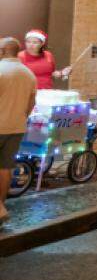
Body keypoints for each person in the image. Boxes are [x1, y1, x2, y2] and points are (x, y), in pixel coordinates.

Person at [0, 37, 37, 226]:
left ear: (3, 50)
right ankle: (0, 206)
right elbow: (31, 104)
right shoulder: (28, 74)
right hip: (16, 127)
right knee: (5, 168)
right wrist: (21, 117)